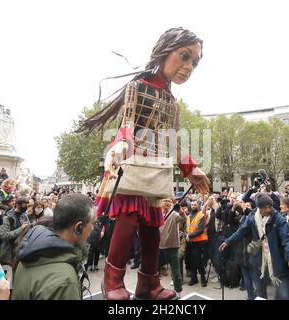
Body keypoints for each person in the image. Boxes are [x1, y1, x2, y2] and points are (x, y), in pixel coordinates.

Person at [81, 28, 209, 300]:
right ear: (165, 51)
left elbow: (173, 140)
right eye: (184, 57)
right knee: (128, 219)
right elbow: (127, 124)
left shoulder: (173, 102)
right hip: (131, 164)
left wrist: (190, 168)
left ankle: (148, 283)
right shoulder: (137, 87)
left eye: (194, 62)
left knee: (152, 227)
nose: (188, 67)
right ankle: (112, 281)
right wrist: (119, 144)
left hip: (156, 170)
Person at [219, 193, 289, 300]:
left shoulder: (278, 219)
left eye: (270, 206)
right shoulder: (252, 218)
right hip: (259, 262)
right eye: (265, 207)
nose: (268, 209)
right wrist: (228, 241)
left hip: (277, 262)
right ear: (259, 208)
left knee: (284, 296)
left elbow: (286, 240)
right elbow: (240, 232)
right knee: (260, 294)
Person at [11, 194, 96, 300]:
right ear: (78, 227)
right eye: (93, 223)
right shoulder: (65, 282)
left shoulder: (29, 252)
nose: (93, 229)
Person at [159, 197, 186, 298]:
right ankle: (156, 290)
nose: (167, 202)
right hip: (160, 247)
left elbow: (184, 219)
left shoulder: (174, 214)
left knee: (176, 273)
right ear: (160, 202)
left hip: (173, 247)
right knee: (154, 271)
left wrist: (181, 211)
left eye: (169, 201)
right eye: (164, 200)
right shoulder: (157, 214)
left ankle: (179, 293)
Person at [0, 196, 30, 265]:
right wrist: (21, 228)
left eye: (27, 205)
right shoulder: (7, 217)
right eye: (24, 205)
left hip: (21, 250)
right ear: (17, 205)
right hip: (9, 253)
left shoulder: (24, 216)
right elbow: (4, 235)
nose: (26, 207)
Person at [185, 200, 208, 287]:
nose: (193, 206)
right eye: (192, 205)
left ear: (198, 206)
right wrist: (186, 235)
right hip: (190, 242)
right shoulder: (189, 216)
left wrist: (190, 235)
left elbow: (201, 229)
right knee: (191, 261)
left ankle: (203, 278)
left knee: (199, 261)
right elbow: (187, 228)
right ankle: (194, 278)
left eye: (195, 205)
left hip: (198, 242)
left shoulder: (201, 215)